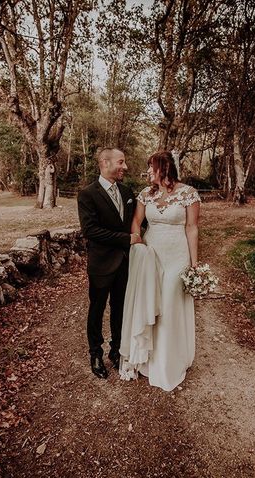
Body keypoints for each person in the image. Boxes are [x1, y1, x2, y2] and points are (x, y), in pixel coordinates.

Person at [120, 150, 201, 391]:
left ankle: (168, 362)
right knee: (150, 302)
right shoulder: (146, 194)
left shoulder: (189, 194)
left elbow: (192, 228)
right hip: (151, 254)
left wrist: (194, 264)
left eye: (151, 168)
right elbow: (136, 221)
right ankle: (147, 359)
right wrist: (139, 244)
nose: (147, 172)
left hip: (177, 256)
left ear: (163, 169)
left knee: (168, 303)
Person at [77, 147, 141, 379]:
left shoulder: (127, 192)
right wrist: (126, 239)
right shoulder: (87, 194)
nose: (125, 167)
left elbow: (135, 224)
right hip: (101, 263)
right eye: (121, 162)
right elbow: (90, 230)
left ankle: (117, 349)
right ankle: (95, 353)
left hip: (125, 263)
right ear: (105, 163)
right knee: (96, 309)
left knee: (121, 308)